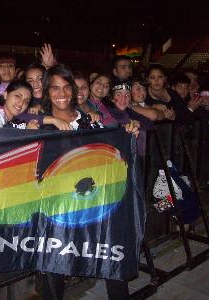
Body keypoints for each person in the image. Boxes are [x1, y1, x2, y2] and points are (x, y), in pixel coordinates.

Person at [39, 64, 132, 300]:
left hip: (92, 200)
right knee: (53, 264)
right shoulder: (37, 120)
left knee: (110, 250)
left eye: (66, 87)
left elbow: (109, 146)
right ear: (46, 90)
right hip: (55, 207)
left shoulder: (87, 120)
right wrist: (46, 121)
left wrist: (129, 130)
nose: (62, 93)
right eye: (55, 88)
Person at [0, 80, 70, 130]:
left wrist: (55, 120)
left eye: (26, 101)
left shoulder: (18, 116)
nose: (21, 103)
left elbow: (36, 118)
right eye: (18, 96)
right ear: (6, 95)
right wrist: (26, 132)